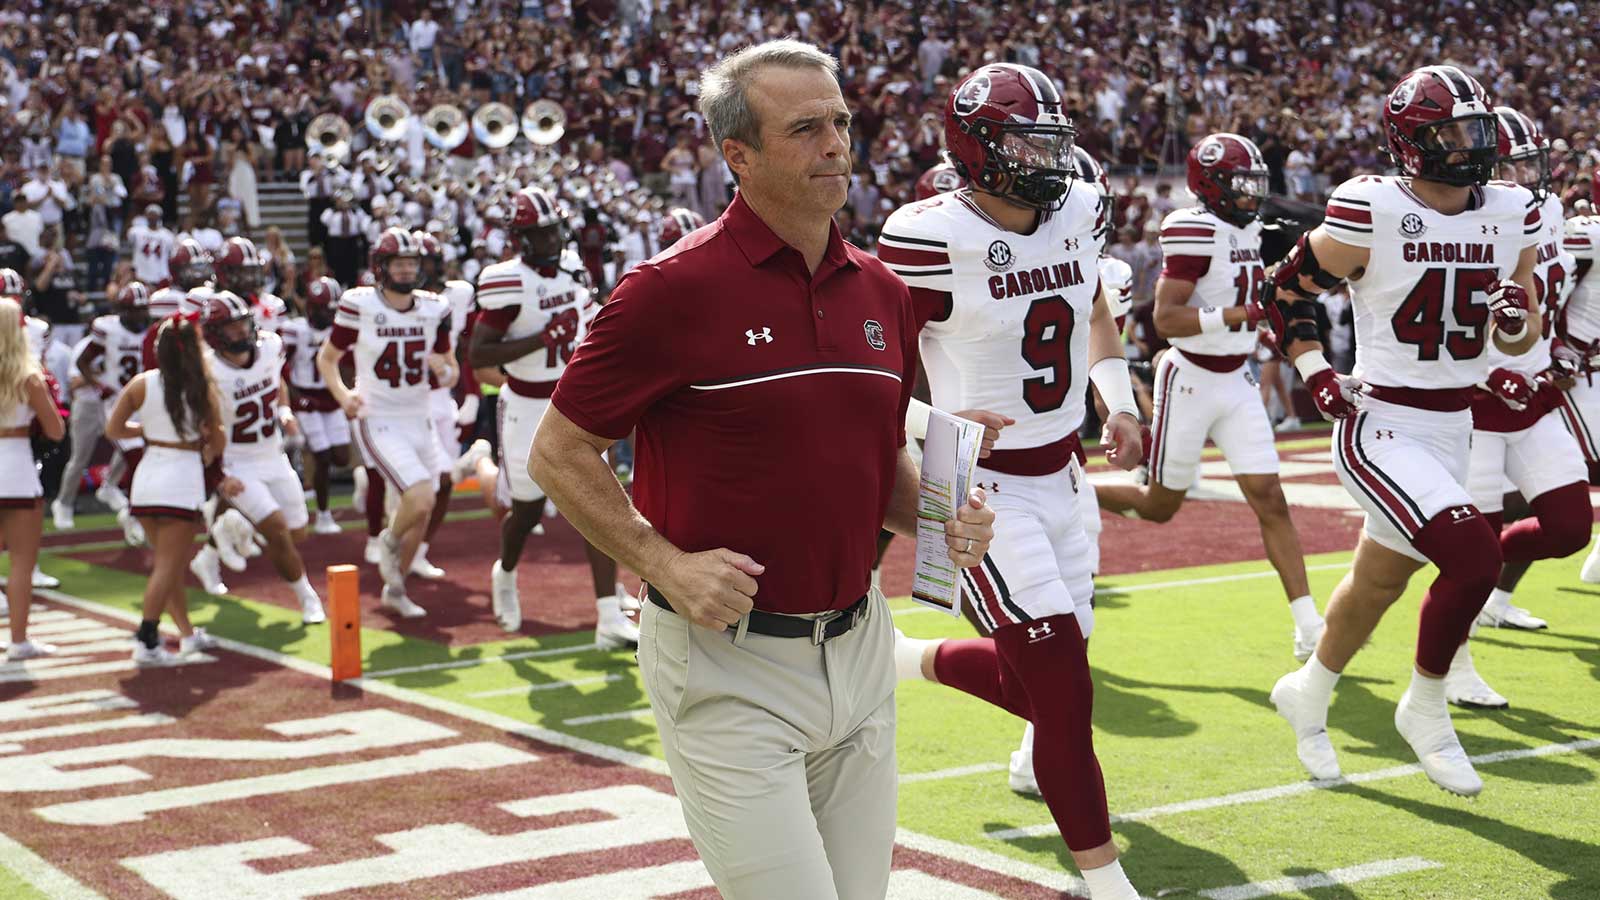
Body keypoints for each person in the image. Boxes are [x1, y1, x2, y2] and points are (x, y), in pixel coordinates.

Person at [529, 39, 994, 900]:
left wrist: (938, 517)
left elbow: (873, 458)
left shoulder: (883, 291)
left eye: (842, 124)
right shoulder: (668, 290)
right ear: (736, 155)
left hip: (860, 646)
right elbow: (557, 449)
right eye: (806, 128)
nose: (835, 145)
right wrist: (661, 562)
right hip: (725, 662)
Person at [879, 65, 1142, 900]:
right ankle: (1107, 883)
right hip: (975, 479)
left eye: (1053, 140)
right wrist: (933, 429)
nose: (1047, 158)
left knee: (1053, 676)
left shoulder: (1078, 205)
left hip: (1063, 469)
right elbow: (869, 370)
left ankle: (909, 659)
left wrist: (1116, 399)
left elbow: (1092, 303)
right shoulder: (923, 236)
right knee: (1064, 692)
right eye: (1028, 140)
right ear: (978, 150)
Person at [1266, 66, 1544, 798]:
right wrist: (1314, 366)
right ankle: (1424, 709)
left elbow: (1521, 332)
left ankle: (1310, 689)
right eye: (1451, 132)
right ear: (1411, 144)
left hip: (1453, 421)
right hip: (1380, 421)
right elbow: (1283, 290)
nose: (1471, 143)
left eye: (1477, 128)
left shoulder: (1512, 209)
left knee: (1379, 582)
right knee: (1476, 558)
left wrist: (1513, 327)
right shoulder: (1371, 210)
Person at [1095, 133, 1326, 660]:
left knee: (1270, 497)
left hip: (1237, 377)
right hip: (1191, 376)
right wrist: (1243, 315)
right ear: (1211, 185)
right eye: (1239, 185)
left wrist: (1258, 326)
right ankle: (1083, 494)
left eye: (1254, 185)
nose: (1250, 196)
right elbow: (1166, 318)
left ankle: (1308, 623)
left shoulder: (1247, 229)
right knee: (1160, 508)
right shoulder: (1192, 228)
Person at [1444, 107, 1590, 703]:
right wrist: (1490, 367)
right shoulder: (1464, 219)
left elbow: (1551, 300)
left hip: (1534, 392)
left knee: (1571, 527)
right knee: (1472, 543)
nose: (1527, 177)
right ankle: (1452, 665)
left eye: (1533, 164)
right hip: (1474, 402)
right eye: (1512, 165)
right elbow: (1449, 312)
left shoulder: (1550, 214)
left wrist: (1560, 349)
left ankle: (1486, 590)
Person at [468, 188, 634, 643]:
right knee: (526, 509)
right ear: (521, 239)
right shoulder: (506, 280)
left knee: (595, 502)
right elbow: (479, 352)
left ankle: (607, 616)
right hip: (524, 405)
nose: (553, 239)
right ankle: (505, 572)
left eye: (554, 230)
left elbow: (586, 320)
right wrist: (542, 338)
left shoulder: (572, 268)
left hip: (572, 402)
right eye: (541, 234)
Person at [317, 227, 455, 618]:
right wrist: (344, 395)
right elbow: (327, 358)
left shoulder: (433, 308)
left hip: (420, 416)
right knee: (421, 495)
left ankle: (396, 587)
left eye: (412, 262)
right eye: (400, 263)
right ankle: (388, 540)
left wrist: (442, 370)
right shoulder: (360, 305)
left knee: (422, 511)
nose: (408, 270)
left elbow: (452, 371)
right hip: (379, 416)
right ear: (382, 266)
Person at [192, 292, 326, 624]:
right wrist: (218, 477)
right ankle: (307, 598)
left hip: (273, 454)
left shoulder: (270, 346)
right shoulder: (207, 372)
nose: (241, 333)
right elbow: (199, 430)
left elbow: (276, 378)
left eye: (243, 325)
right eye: (232, 328)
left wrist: (283, 408)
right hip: (236, 461)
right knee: (278, 531)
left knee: (298, 534)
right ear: (214, 334)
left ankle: (214, 547)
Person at [105, 313, 226, 665]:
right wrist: (203, 448)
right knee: (167, 567)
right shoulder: (203, 386)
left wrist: (146, 433)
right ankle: (147, 638)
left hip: (146, 477)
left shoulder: (142, 383)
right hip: (180, 480)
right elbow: (218, 440)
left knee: (167, 566)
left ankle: (187, 634)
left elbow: (114, 429)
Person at [51, 282, 150, 542]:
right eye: (134, 311)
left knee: (133, 451)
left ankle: (112, 491)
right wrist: (99, 384)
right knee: (81, 458)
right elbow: (79, 371)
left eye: (142, 310)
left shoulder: (148, 333)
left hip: (131, 403)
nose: (139, 316)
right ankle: (64, 503)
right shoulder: (102, 335)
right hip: (95, 404)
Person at [0, 297, 65, 660]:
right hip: (17, 470)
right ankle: (19, 642)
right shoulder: (30, 377)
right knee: (22, 563)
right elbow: (55, 431)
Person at [281, 276, 348, 535]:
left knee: (340, 456)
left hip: (331, 397)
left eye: (332, 309)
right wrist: (295, 397)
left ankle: (305, 480)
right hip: (307, 398)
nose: (329, 314)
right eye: (324, 308)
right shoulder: (295, 330)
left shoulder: (337, 330)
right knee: (322, 457)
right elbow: (281, 367)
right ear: (311, 307)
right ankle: (322, 514)